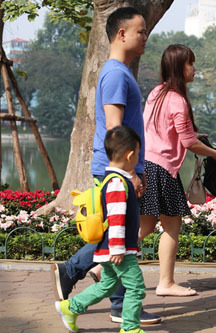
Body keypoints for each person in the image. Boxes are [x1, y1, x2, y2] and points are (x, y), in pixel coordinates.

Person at [51, 7, 160, 325]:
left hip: (121, 166)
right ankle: (111, 299)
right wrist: (129, 172)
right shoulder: (115, 73)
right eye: (140, 31)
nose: (145, 37)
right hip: (117, 167)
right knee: (121, 235)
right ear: (121, 33)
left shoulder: (121, 71)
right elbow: (115, 128)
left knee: (121, 235)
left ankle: (108, 298)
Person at [139, 44, 216, 296]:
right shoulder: (178, 100)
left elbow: (166, 131)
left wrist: (190, 135)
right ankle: (165, 283)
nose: (194, 68)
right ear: (179, 67)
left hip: (147, 165)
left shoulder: (157, 92)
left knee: (144, 228)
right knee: (171, 228)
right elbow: (188, 142)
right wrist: (215, 153)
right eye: (190, 63)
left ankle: (102, 267)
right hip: (163, 170)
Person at [55, 126, 146, 333]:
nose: (138, 158)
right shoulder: (117, 183)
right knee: (136, 287)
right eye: (138, 154)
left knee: (108, 286)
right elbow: (115, 218)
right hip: (118, 250)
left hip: (111, 249)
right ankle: (130, 328)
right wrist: (117, 248)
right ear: (130, 155)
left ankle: (70, 308)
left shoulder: (113, 180)